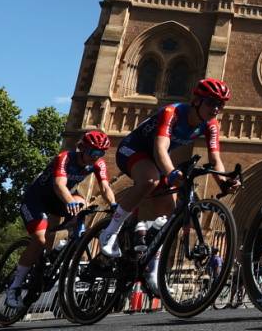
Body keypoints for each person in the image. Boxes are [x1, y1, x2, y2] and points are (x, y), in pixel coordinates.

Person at [98, 78, 239, 294]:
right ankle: (110, 231)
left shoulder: (211, 125)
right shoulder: (172, 112)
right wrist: (172, 173)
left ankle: (152, 269)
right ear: (197, 101)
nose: (217, 109)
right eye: (212, 103)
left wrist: (224, 180)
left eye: (221, 105)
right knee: (150, 180)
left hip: (155, 161)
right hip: (134, 150)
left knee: (170, 212)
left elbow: (214, 158)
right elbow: (160, 149)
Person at [6, 130, 116, 308]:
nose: (96, 157)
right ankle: (14, 286)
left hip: (60, 201)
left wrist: (114, 206)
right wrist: (69, 201)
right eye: (93, 152)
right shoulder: (65, 158)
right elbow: (59, 185)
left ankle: (61, 247)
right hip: (37, 200)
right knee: (40, 239)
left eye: (100, 153)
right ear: (82, 148)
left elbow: (104, 186)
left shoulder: (98, 164)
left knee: (83, 203)